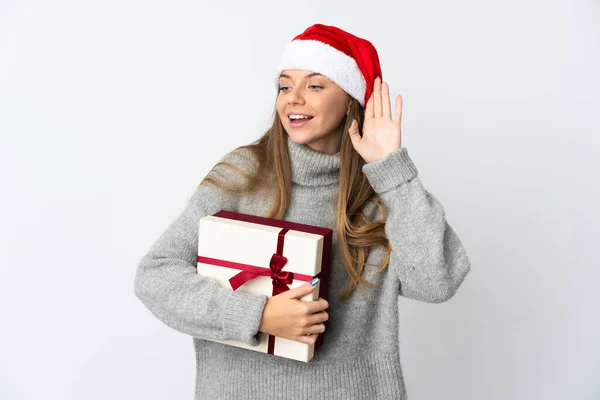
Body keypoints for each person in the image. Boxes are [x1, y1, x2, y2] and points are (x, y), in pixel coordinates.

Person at [134, 23, 471, 399]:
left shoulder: (384, 192)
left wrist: (393, 169)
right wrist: (257, 315)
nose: (293, 98)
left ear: (349, 101)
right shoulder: (242, 174)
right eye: (284, 85)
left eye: (314, 85)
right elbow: (155, 275)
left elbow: (436, 283)